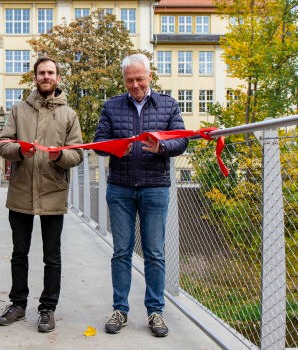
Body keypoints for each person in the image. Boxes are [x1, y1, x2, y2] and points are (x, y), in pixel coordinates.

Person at [93, 53, 187, 337]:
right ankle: (120, 309)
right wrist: (112, 148)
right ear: (124, 80)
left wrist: (163, 149)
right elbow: (98, 143)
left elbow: (182, 140)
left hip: (154, 187)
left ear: (150, 77)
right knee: (121, 251)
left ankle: (155, 312)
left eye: (140, 79)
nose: (135, 85)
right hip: (120, 187)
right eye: (130, 80)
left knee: (154, 253)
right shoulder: (112, 106)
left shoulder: (168, 105)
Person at [0, 57, 83, 333]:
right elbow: (3, 144)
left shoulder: (69, 114)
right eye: (41, 73)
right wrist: (20, 151)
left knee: (51, 256)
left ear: (57, 78)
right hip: (21, 190)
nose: (46, 77)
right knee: (19, 252)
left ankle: (47, 308)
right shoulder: (18, 109)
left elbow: (77, 153)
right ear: (35, 77)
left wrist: (60, 156)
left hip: (53, 192)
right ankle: (18, 304)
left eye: (50, 73)